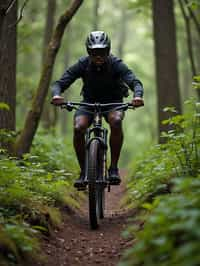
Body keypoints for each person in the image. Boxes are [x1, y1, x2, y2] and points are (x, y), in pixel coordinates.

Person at [51, 31, 144, 189]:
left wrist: (137, 96)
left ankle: (113, 168)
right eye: (94, 52)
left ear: (108, 51)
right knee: (79, 127)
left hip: (113, 103)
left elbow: (134, 81)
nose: (98, 56)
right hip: (88, 103)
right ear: (89, 52)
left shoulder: (116, 63)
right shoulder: (83, 63)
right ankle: (83, 172)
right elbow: (60, 82)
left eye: (102, 52)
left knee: (115, 121)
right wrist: (57, 95)